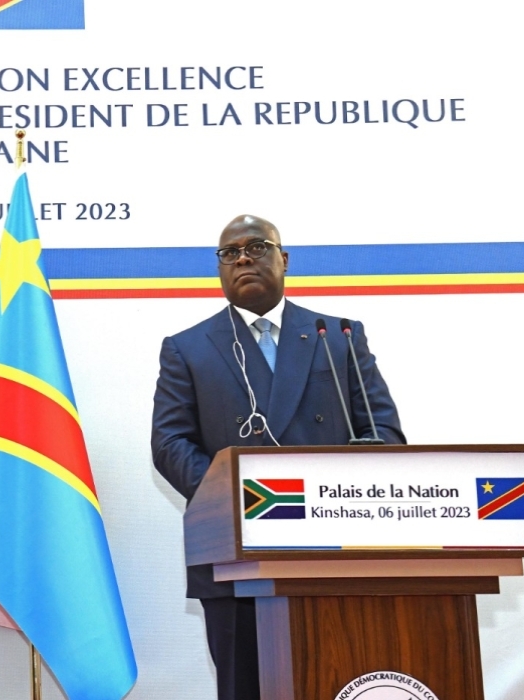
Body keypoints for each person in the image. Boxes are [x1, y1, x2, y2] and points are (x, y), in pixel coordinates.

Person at [151, 215, 404, 700]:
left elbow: (384, 432)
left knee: (341, 680)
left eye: (257, 246)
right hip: (235, 556)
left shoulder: (340, 335)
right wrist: (242, 499)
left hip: (337, 552)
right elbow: (170, 444)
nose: (243, 258)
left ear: (283, 260)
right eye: (230, 253)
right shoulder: (187, 348)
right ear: (220, 270)